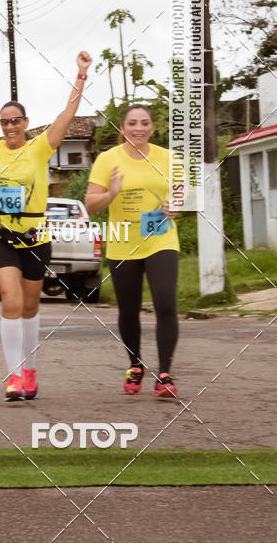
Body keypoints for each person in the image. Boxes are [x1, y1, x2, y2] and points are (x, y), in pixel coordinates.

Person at [0, 51, 92, 402]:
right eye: (4, 122)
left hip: (37, 237)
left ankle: (30, 369)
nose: (9, 127)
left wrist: (81, 74)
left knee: (30, 307)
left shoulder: (40, 149)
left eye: (15, 121)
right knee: (9, 301)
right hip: (2, 237)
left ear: (25, 122)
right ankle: (13, 376)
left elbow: (66, 116)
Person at [85, 104, 180, 399]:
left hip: (161, 239)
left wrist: (175, 206)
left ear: (152, 127)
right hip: (123, 241)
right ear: (122, 128)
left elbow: (180, 193)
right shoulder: (107, 159)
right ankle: (135, 365)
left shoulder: (169, 157)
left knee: (165, 302)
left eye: (144, 123)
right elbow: (90, 203)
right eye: (132, 123)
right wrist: (111, 193)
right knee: (129, 309)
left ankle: (164, 374)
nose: (139, 128)